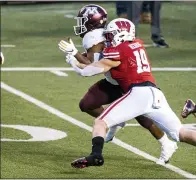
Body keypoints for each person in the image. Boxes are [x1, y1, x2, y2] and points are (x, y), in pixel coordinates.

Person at [59, 18, 196, 175]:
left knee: (100, 122)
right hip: (156, 93)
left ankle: (96, 155)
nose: (108, 40)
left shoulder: (119, 50)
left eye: (110, 35)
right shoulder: (137, 44)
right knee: (180, 132)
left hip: (138, 93)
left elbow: (88, 71)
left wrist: (74, 62)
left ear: (121, 34)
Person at [62, 4, 177, 165]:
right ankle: (114, 121)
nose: (80, 24)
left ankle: (167, 143)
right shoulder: (98, 34)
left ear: (92, 21)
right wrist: (76, 58)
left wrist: (74, 56)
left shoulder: (93, 36)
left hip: (126, 82)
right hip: (113, 80)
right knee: (87, 103)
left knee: (143, 116)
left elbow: (92, 65)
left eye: (83, 20)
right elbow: (93, 60)